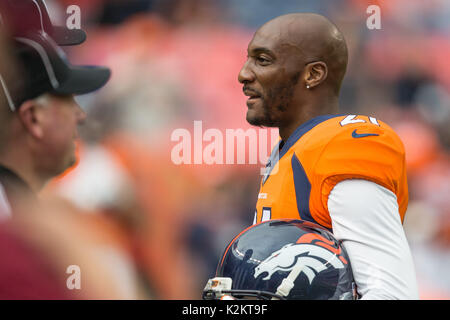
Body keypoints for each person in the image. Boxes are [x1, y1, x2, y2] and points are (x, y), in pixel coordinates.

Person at [238, 13, 418, 299]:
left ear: (313, 74)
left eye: (262, 60)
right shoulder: (289, 152)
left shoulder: (342, 149)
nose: (243, 74)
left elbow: (390, 293)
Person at [0, 31, 110, 219]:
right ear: (34, 118)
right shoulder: (12, 218)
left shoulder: (17, 205)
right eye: (68, 100)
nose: (81, 115)